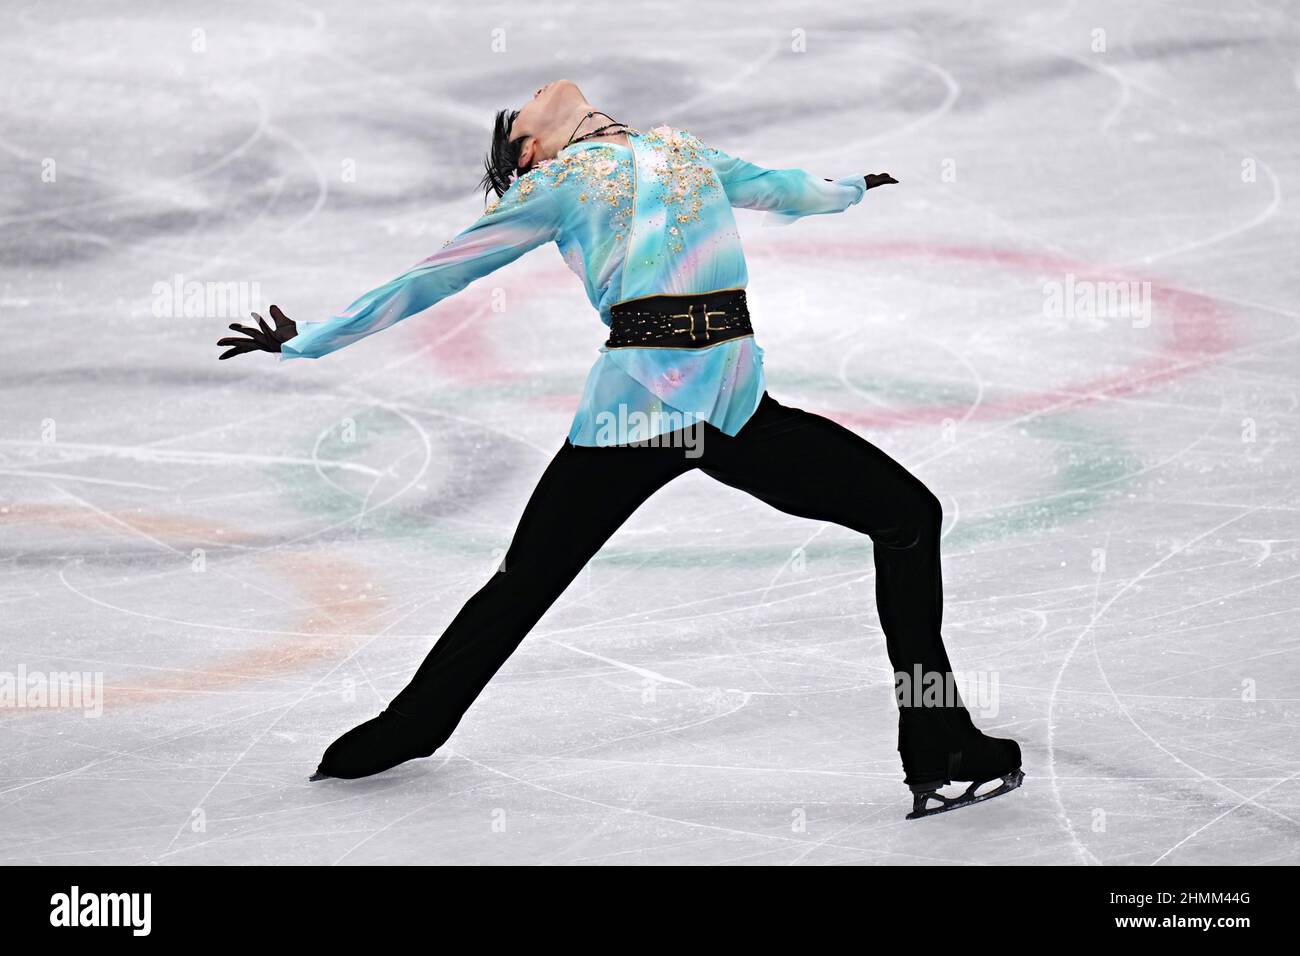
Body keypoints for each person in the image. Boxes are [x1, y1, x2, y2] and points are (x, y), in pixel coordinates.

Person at [217, 80, 1022, 819]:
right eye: (525, 112)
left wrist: (847, 190)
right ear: (533, 150)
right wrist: (312, 340)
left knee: (909, 516)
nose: (535, 97)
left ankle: (940, 746)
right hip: (635, 412)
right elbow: (438, 274)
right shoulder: (552, 187)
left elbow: (783, 189)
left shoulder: (681, 150)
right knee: (524, 580)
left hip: (734, 406)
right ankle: (405, 730)